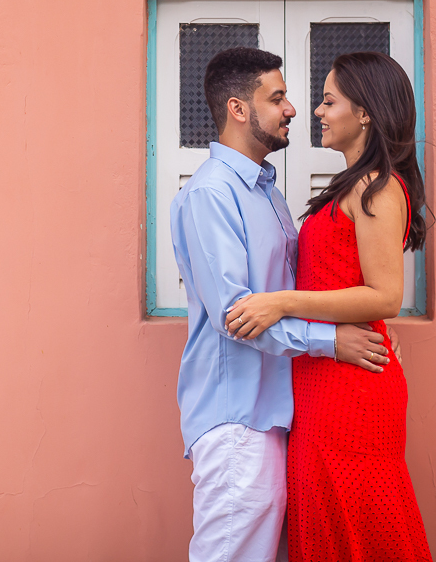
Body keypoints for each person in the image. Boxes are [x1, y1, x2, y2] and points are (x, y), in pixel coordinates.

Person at [171, 47, 394, 562]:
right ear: (238, 109)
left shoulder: (265, 192)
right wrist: (331, 341)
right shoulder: (211, 194)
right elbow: (239, 315)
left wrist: (365, 316)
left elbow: (302, 287)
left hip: (277, 413)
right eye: (278, 97)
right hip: (237, 418)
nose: (293, 108)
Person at [224, 51, 433, 561]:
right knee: (326, 524)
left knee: (360, 523)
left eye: (328, 100)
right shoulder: (351, 185)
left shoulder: (378, 186)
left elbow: (385, 294)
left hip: (351, 389)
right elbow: (347, 280)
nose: (316, 111)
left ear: (364, 112)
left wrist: (280, 302)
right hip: (323, 378)